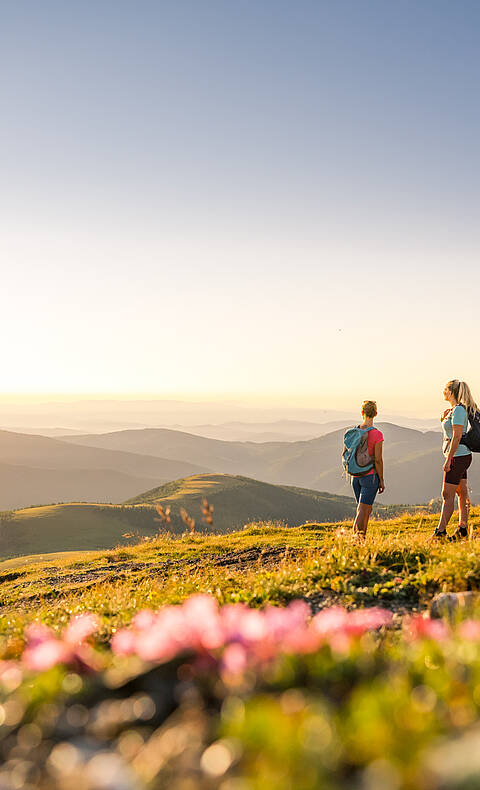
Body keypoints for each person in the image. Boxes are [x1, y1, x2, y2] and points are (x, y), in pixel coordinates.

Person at [432, 379, 476, 541]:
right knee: (461, 492)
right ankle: (463, 529)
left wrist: (448, 459)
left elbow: (457, 436)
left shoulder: (458, 411)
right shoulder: (455, 410)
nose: (443, 391)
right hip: (461, 456)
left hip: (458, 457)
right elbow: (451, 432)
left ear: (450, 392)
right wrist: (443, 419)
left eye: (445, 389)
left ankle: (440, 532)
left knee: (447, 494)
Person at [351, 400, 385, 538]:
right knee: (362, 510)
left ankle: (362, 539)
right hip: (370, 477)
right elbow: (378, 459)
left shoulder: (354, 431)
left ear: (362, 413)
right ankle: (356, 541)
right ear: (376, 413)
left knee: (366, 510)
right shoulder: (377, 435)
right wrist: (381, 479)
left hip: (355, 477)